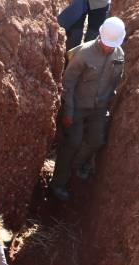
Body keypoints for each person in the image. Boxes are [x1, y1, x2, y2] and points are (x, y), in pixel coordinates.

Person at [50, 17, 126, 201]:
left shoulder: (119, 54)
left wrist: (109, 104)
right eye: (106, 44)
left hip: (99, 108)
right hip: (77, 106)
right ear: (100, 36)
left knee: (96, 141)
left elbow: (115, 81)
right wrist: (68, 112)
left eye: (112, 45)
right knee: (72, 143)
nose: (109, 48)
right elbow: (68, 84)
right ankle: (58, 184)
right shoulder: (84, 53)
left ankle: (78, 165)